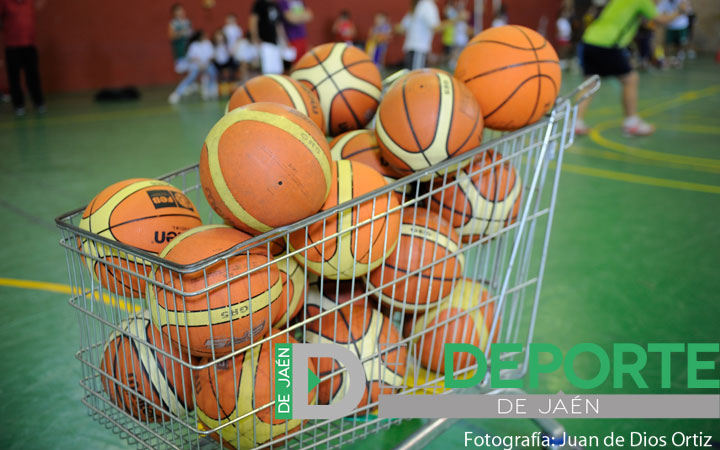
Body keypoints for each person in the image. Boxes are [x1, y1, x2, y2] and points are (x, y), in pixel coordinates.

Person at [575, 0, 688, 137]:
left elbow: (642, 21)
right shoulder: (642, 1)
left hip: (589, 40)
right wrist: (680, 11)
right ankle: (631, 123)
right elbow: (661, 20)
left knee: (590, 84)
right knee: (631, 79)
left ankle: (576, 123)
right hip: (608, 44)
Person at [1, 0, 45, 116]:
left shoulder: (29, 2)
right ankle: (18, 105)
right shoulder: (5, 2)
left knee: (33, 75)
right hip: (12, 46)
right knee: (14, 78)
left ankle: (39, 102)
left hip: (29, 45)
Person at [169, 30, 218, 104]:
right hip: (196, 65)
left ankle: (210, 89)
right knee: (191, 76)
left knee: (213, 72)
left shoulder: (208, 43)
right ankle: (177, 93)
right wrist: (199, 64)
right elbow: (191, 57)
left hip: (207, 65)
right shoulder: (193, 45)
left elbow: (211, 56)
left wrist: (205, 64)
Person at [250, 0, 289, 74]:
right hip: (264, 42)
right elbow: (253, 21)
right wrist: (255, 37)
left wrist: (284, 40)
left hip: (275, 43)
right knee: (267, 70)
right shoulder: (259, 4)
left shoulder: (275, 5)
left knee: (278, 69)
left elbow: (278, 25)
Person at [399, 0, 440, 70]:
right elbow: (436, 28)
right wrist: (457, 19)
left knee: (412, 76)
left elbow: (401, 28)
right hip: (418, 49)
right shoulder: (427, 5)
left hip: (412, 49)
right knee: (415, 77)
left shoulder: (418, 5)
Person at [657, 0, 689, 67]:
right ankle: (666, 59)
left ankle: (678, 58)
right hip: (670, 26)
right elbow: (659, 14)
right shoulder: (664, 2)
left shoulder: (682, 1)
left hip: (681, 25)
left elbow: (687, 11)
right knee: (667, 44)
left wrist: (683, 9)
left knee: (681, 43)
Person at [212, 29, 237, 96]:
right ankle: (220, 91)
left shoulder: (227, 46)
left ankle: (231, 89)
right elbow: (213, 57)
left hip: (227, 63)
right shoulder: (214, 47)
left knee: (231, 69)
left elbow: (230, 55)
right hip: (218, 64)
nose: (220, 38)